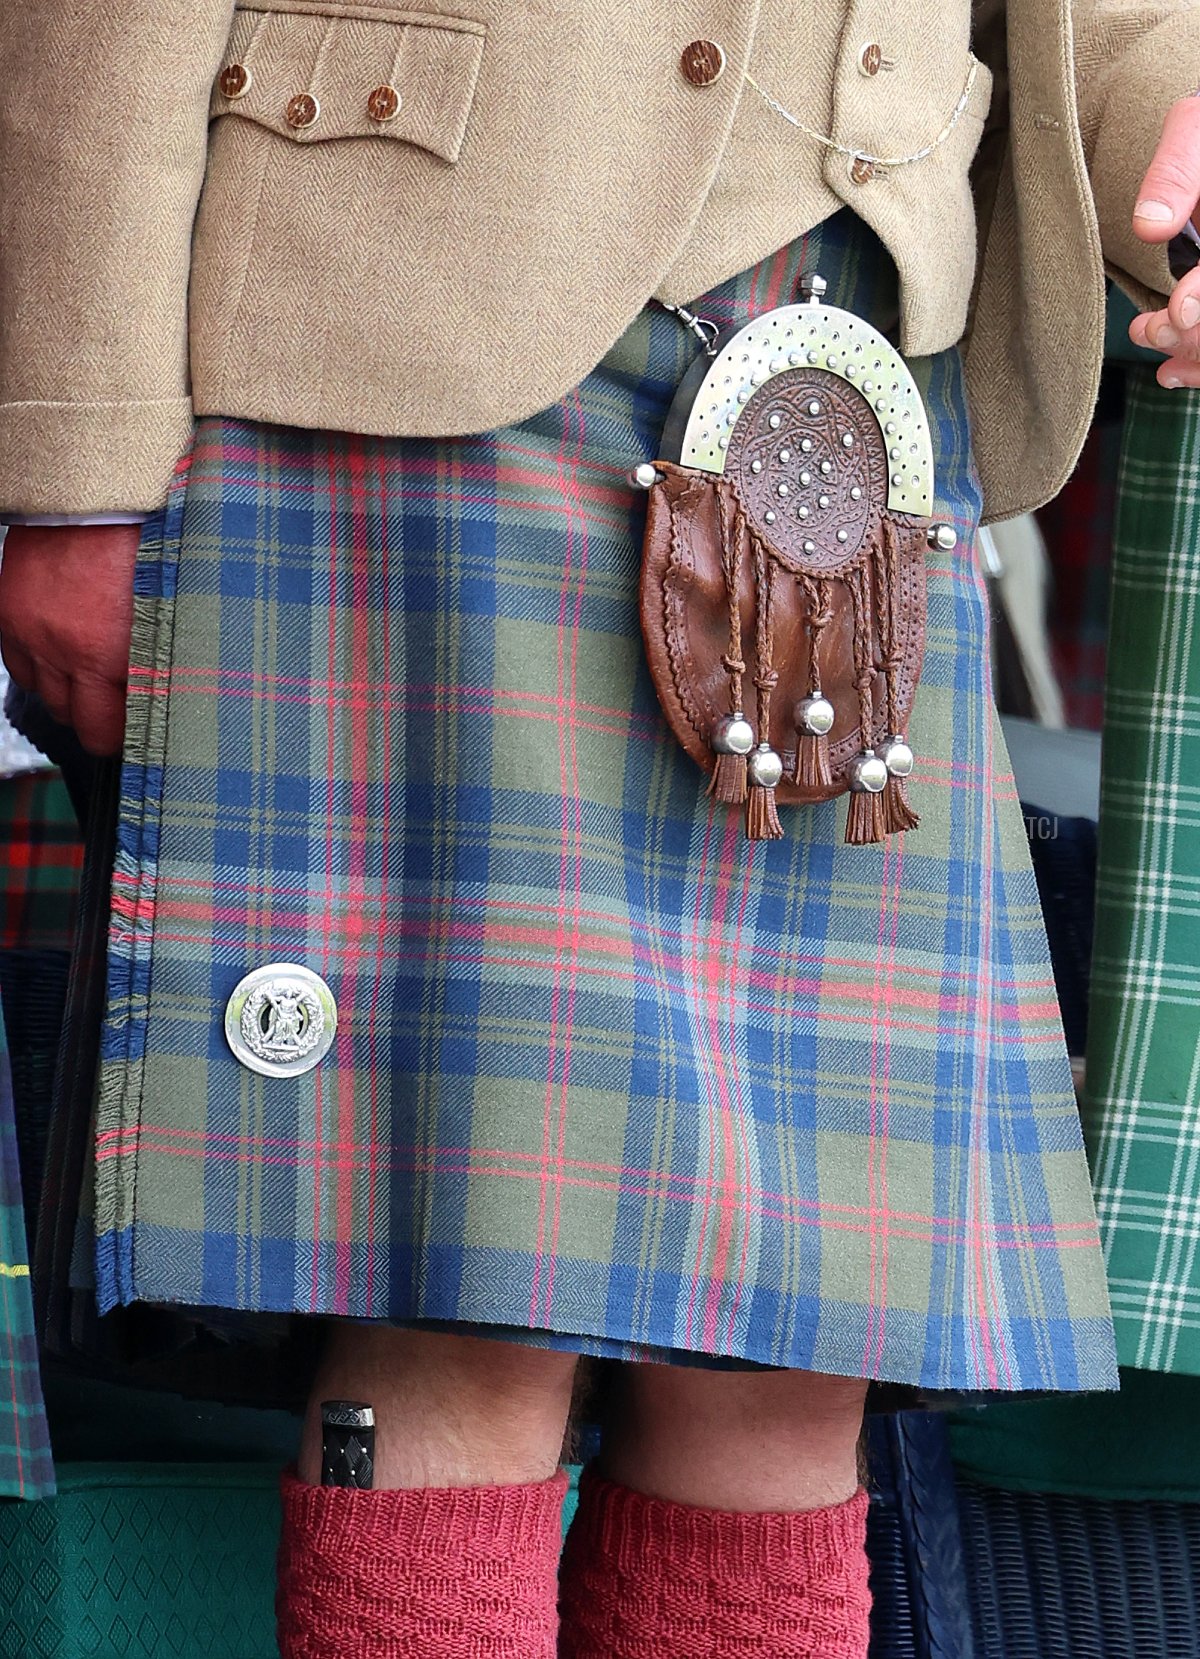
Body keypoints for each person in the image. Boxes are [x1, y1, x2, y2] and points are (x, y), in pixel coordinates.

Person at [3, 4, 1200, 1654]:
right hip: (411, 345)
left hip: (853, 405)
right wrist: (75, 462)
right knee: (465, 1308)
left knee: (793, 1365)